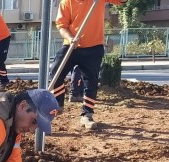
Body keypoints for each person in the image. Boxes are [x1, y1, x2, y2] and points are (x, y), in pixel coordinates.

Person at [49, 0, 125, 129]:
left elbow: (122, 1)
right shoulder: (67, 2)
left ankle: (87, 114)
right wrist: (71, 38)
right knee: (55, 71)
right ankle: (58, 104)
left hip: (93, 47)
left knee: (91, 81)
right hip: (71, 45)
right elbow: (62, 25)